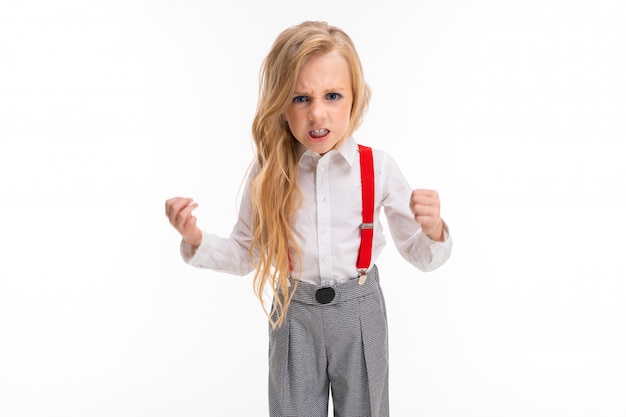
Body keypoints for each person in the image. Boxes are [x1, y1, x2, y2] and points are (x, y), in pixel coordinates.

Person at [165, 20, 452, 417]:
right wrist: (195, 238)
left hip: (360, 313)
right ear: (281, 105)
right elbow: (245, 254)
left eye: (332, 95)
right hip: (293, 313)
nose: (318, 113)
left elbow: (421, 256)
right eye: (301, 98)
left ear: (355, 100)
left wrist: (434, 230)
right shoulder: (268, 172)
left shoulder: (377, 168)